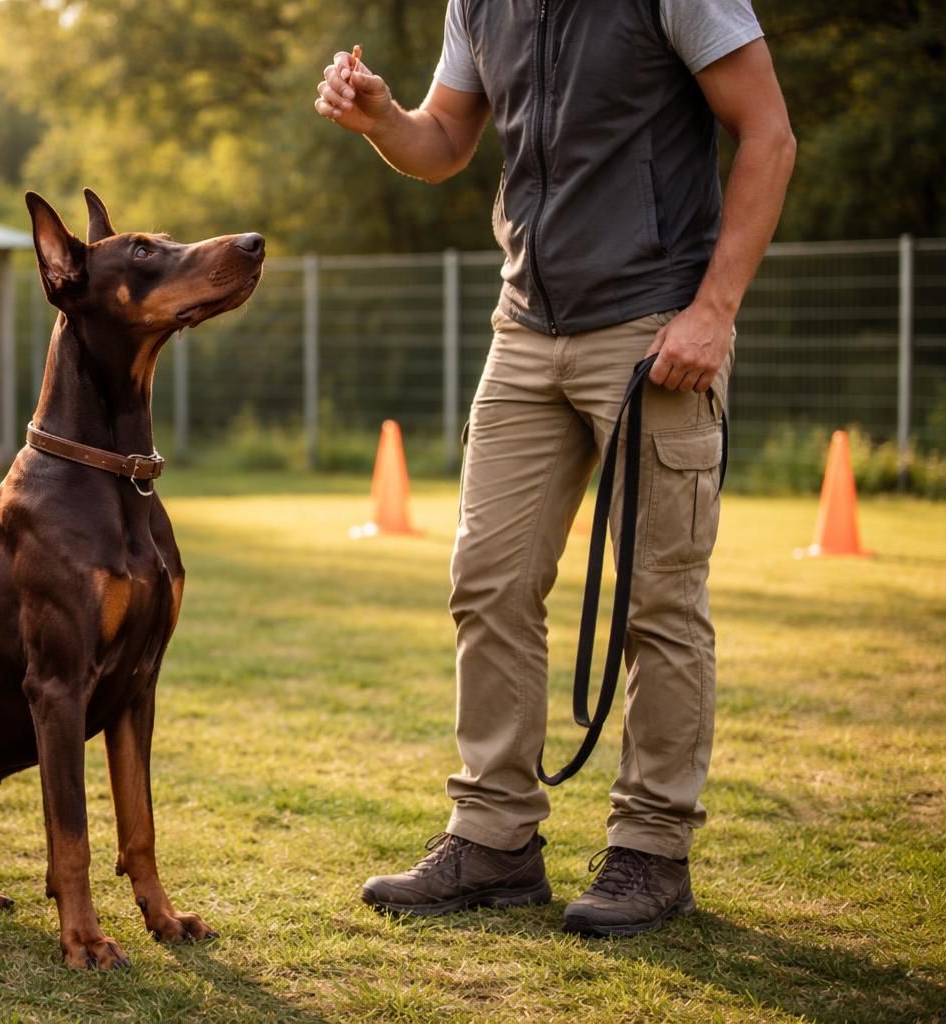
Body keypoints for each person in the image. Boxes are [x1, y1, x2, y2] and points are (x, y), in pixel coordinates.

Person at [316, 1, 795, 937]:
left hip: (656, 325)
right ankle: (493, 839)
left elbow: (768, 135)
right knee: (487, 579)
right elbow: (446, 138)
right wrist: (383, 118)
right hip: (526, 325)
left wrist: (714, 310)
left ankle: (651, 851)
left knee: (658, 597)